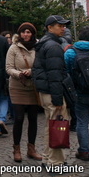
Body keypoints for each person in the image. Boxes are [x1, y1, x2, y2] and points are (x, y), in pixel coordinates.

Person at [32, 15, 70, 168]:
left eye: (64, 25)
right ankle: (56, 162)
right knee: (58, 125)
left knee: (51, 125)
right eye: (59, 25)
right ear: (49, 27)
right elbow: (54, 75)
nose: (63, 28)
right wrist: (58, 99)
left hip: (45, 91)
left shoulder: (45, 43)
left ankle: (48, 158)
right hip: (52, 92)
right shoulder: (53, 46)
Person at [6, 23, 42, 162]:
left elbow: (40, 65)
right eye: (23, 32)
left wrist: (31, 72)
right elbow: (8, 68)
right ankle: (16, 148)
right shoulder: (13, 48)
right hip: (17, 86)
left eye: (28, 32)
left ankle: (31, 149)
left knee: (33, 118)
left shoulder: (38, 47)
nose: (25, 35)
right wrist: (19, 73)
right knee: (19, 118)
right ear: (19, 33)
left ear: (32, 33)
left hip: (33, 87)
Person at [64, 26, 89, 161]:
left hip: (79, 93)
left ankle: (84, 152)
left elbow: (66, 71)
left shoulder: (70, 52)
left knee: (82, 122)